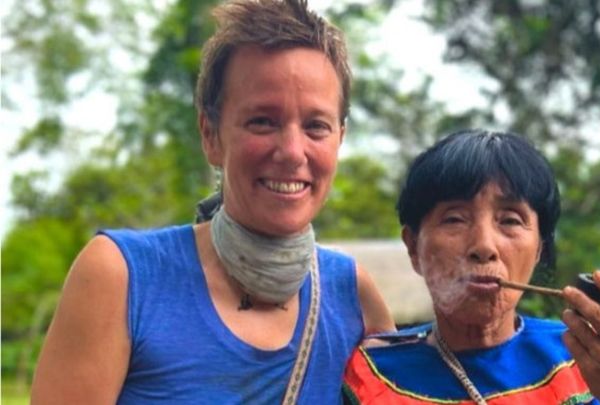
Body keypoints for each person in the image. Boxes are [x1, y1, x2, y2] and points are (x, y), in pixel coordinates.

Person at [30, 0, 395, 403]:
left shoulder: (353, 297)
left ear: (340, 138)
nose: (293, 152)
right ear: (210, 135)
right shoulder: (122, 278)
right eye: (262, 121)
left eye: (316, 126)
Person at [343, 130, 600, 404]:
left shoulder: (586, 361)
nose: (484, 246)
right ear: (414, 247)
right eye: (454, 219)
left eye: (510, 221)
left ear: (539, 249)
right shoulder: (369, 378)